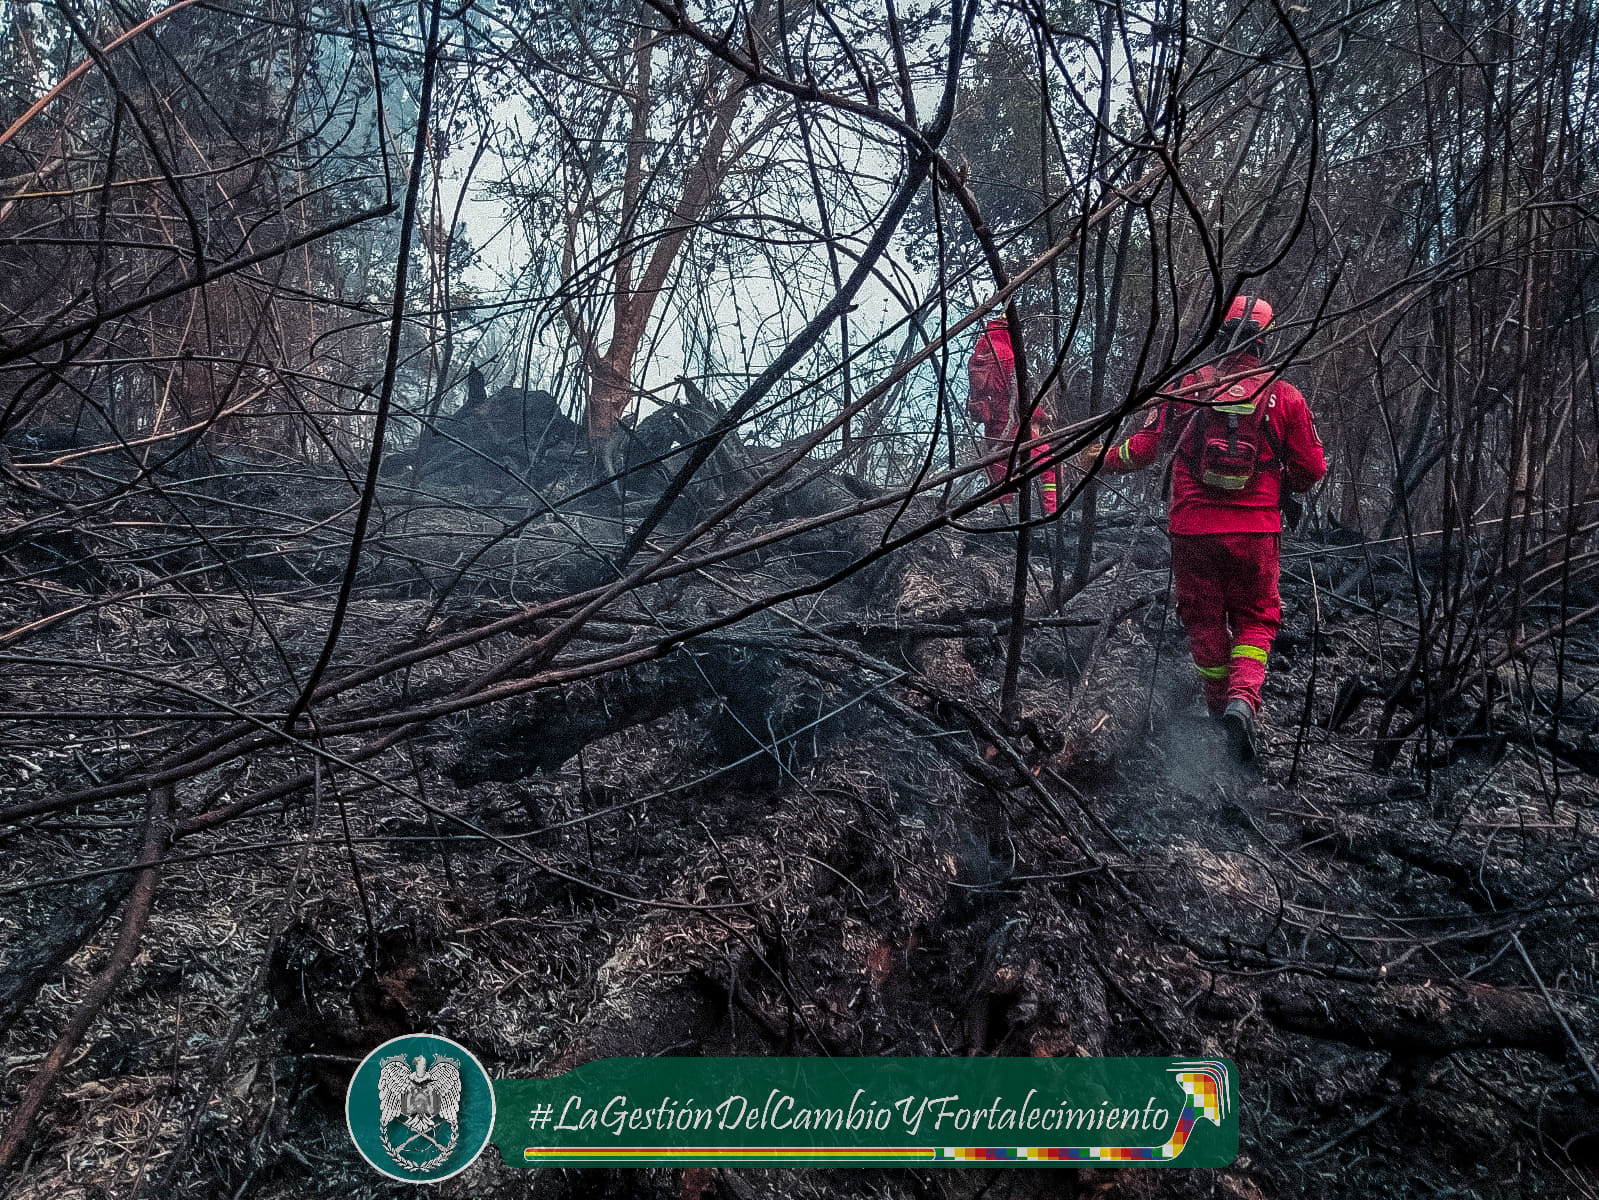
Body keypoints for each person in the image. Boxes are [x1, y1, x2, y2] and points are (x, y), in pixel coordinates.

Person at [1082, 296, 1326, 762]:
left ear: (1219, 334)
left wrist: (1098, 459)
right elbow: (1312, 470)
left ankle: (1219, 712)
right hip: (1255, 534)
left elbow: (1147, 448)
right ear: (1265, 339)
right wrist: (1279, 480)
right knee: (1256, 618)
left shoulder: (1186, 390)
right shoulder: (1285, 397)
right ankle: (1242, 701)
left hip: (1191, 530)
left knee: (1204, 621)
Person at [966, 315, 1060, 518]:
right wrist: (1042, 416)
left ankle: (1000, 522)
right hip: (1014, 429)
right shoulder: (1007, 355)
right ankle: (1053, 514)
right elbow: (1019, 398)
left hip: (991, 430)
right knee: (1048, 463)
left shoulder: (977, 358)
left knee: (1001, 480)